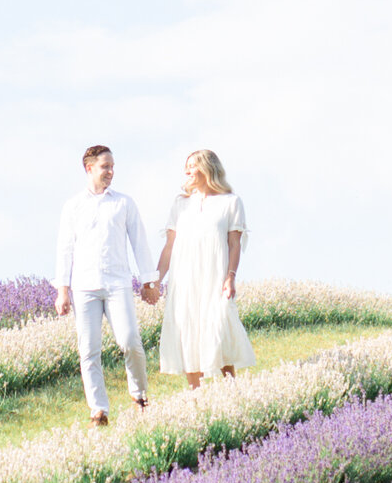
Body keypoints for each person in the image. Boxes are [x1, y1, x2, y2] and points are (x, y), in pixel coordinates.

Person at [53, 142, 153, 425]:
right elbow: (64, 248)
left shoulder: (124, 203)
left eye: (112, 167)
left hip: (118, 283)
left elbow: (139, 242)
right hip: (84, 286)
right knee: (89, 349)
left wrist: (148, 281)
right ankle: (98, 410)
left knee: (130, 340)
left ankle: (139, 394)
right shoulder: (73, 206)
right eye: (105, 167)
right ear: (89, 168)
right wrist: (62, 290)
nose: (110, 172)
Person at [152, 147, 250, 384]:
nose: (186, 170)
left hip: (215, 277)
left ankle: (230, 388)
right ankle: (195, 393)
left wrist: (230, 277)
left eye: (192, 165)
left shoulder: (231, 202)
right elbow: (169, 246)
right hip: (184, 278)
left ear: (207, 168)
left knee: (220, 327)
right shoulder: (180, 204)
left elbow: (234, 244)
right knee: (187, 329)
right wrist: (156, 279)